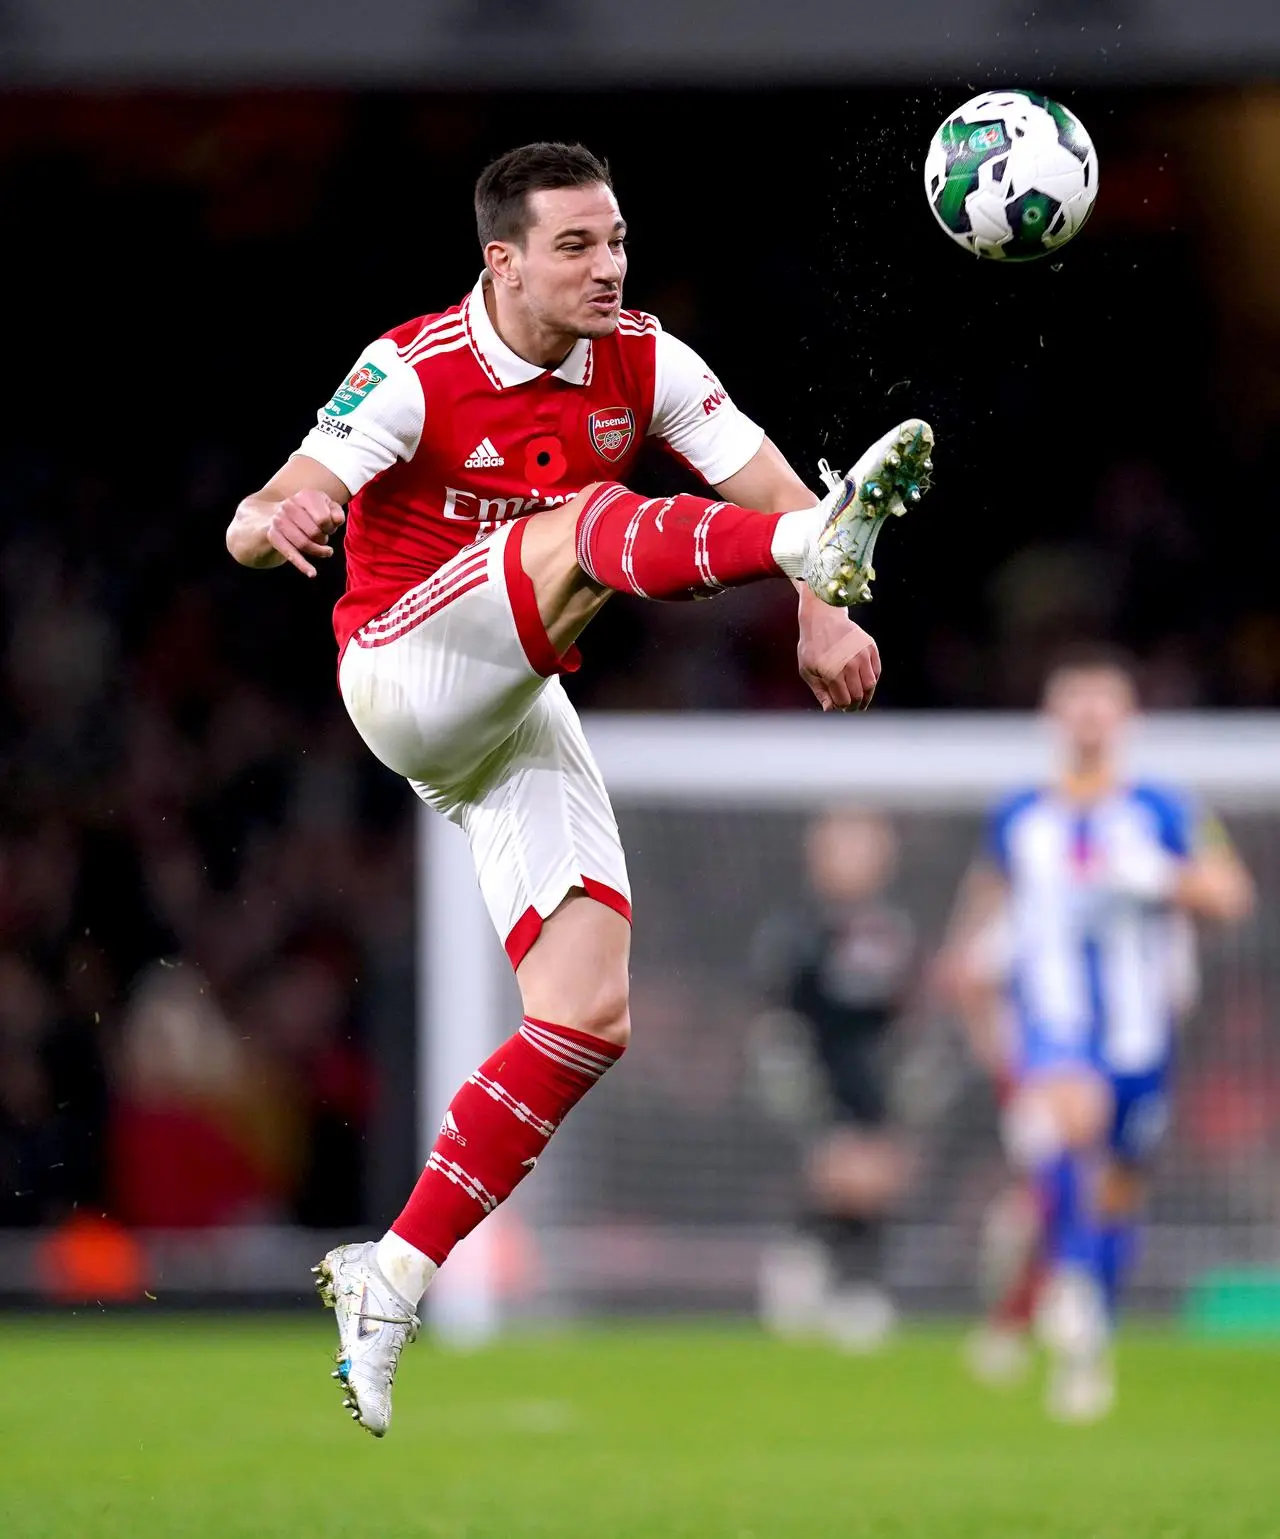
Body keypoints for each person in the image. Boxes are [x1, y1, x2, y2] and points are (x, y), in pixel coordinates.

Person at [226, 140, 935, 1435]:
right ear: (503, 261)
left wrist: (819, 611)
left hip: (509, 703)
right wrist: (274, 520)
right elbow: (274, 496)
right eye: (576, 246)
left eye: (616, 241)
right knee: (588, 524)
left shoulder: (650, 360)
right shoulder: (415, 367)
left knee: (587, 1012)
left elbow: (767, 477)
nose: (608, 267)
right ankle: (798, 551)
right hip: (403, 667)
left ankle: (394, 1271)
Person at [939, 645, 1254, 1421]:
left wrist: (1163, 876)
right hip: (1053, 1024)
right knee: (1069, 1128)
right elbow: (978, 921)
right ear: (1054, 715)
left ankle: (1088, 1336)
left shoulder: (1168, 809)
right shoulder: (1018, 814)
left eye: (1101, 701)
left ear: (1126, 716)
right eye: (1072, 700)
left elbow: (1231, 895)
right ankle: (1064, 1300)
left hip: (1140, 1032)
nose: (1086, 716)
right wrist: (976, 995)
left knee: (1116, 1187)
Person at [751, 808, 917, 1350]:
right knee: (841, 1175)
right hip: (813, 1095)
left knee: (874, 1178)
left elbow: (910, 1030)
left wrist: (900, 1115)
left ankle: (857, 1287)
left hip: (873, 1095)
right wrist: (816, 1124)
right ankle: (804, 1267)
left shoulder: (896, 932)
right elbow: (775, 1034)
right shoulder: (794, 933)